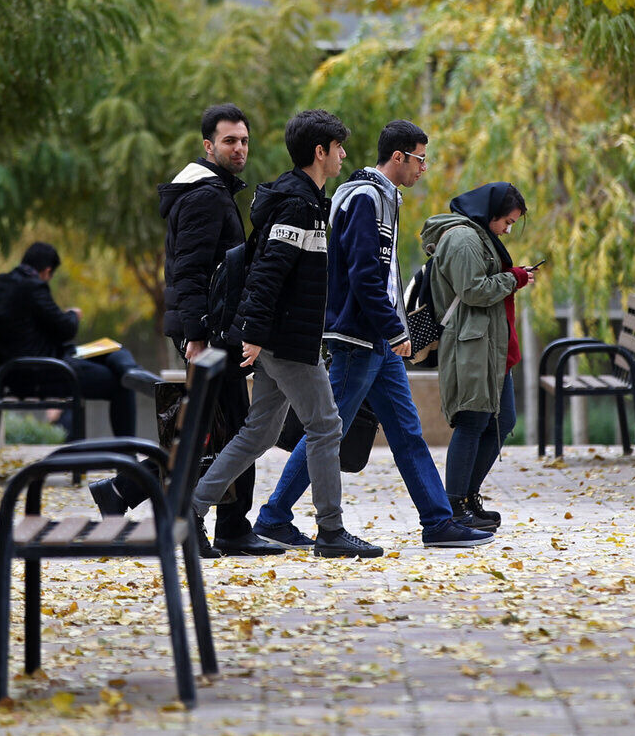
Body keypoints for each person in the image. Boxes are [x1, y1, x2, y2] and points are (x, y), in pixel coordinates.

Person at [251, 120, 494, 549]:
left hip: (375, 340)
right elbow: (365, 275)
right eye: (420, 158)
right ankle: (273, 517)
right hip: (358, 338)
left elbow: (377, 276)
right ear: (398, 157)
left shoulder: (377, 196)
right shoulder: (366, 197)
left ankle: (438, 522)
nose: (424, 167)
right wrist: (393, 328)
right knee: (327, 430)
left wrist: (390, 330)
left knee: (406, 431)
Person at [88, 103, 282, 557]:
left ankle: (135, 495)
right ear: (208, 145)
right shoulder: (204, 196)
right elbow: (190, 272)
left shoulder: (214, 191)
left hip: (218, 330)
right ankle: (201, 517)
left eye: (244, 140)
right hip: (211, 334)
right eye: (230, 140)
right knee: (217, 432)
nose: (239, 148)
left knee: (222, 429)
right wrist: (196, 336)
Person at [191, 109, 383, 559]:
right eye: (339, 148)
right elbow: (266, 273)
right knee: (326, 425)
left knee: (259, 432)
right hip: (285, 340)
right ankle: (331, 531)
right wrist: (255, 335)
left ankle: (189, 511)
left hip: (281, 337)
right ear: (320, 152)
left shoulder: (308, 199)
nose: (344, 156)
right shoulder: (298, 203)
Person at [419, 183, 535, 530]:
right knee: (472, 422)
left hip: (491, 346)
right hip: (472, 345)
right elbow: (472, 290)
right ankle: (454, 504)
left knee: (501, 421)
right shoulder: (463, 238)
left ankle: (469, 496)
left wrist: (512, 279)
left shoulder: (480, 236)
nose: (508, 230)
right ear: (491, 213)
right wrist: (513, 279)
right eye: (507, 222)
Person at [0, 241, 163, 437]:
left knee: (113, 348)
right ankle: (127, 458)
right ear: (46, 271)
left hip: (27, 368)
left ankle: (132, 371)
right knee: (121, 384)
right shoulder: (33, 287)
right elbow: (66, 329)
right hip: (41, 371)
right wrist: (72, 315)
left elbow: (31, 325)